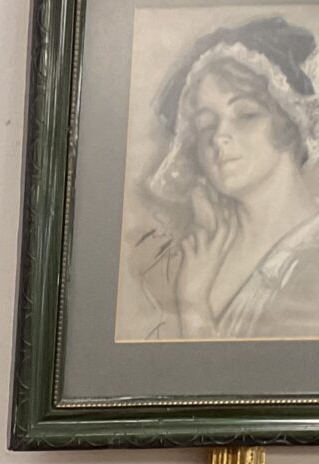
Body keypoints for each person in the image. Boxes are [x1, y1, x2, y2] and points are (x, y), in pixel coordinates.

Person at [133, 16, 319, 339]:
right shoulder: (203, 253)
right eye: (206, 124)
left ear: (290, 122)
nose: (219, 137)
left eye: (246, 115)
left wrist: (194, 307)